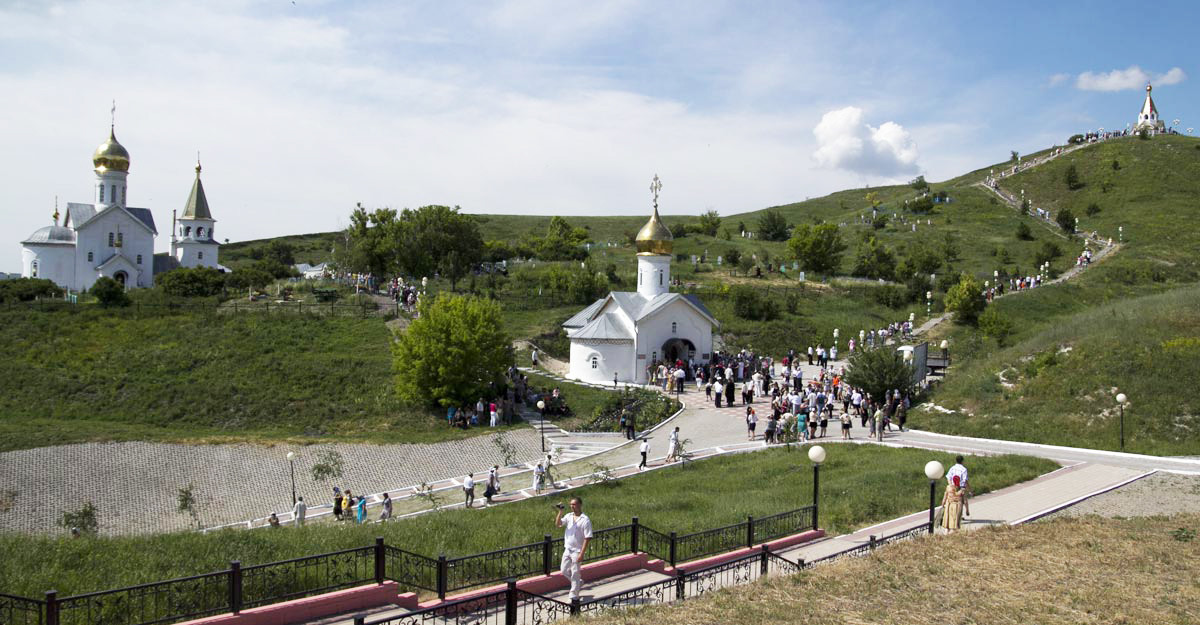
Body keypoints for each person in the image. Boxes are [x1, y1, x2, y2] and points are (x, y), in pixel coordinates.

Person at [555, 497, 593, 601]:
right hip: (568, 549)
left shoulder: (585, 520)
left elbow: (587, 537)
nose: (572, 506)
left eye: (574, 504)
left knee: (575, 572)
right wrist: (560, 512)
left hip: (577, 551)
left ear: (580, 505)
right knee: (563, 570)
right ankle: (578, 583)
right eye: (571, 504)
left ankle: (574, 594)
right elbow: (558, 524)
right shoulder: (568, 516)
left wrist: (581, 553)